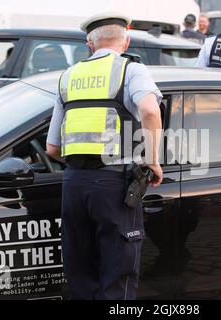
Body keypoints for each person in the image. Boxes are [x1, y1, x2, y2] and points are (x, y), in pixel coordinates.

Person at [46, 12, 164, 300]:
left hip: (74, 184)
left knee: (81, 272)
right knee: (117, 274)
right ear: (126, 41)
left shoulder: (68, 76)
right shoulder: (130, 70)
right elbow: (150, 111)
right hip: (113, 184)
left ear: (89, 43)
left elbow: (52, 148)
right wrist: (152, 161)